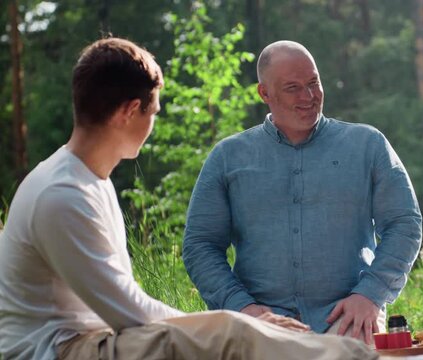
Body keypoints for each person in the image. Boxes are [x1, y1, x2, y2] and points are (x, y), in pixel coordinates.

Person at [0, 37, 383, 360]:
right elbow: (129, 311)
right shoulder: (62, 195)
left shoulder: (87, 181)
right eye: (154, 110)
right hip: (57, 350)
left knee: (229, 331)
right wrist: (237, 323)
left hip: (91, 339)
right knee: (230, 333)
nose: (154, 122)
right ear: (131, 111)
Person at [182, 40, 423, 345]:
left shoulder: (368, 145)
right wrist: (241, 307)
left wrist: (371, 294)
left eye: (313, 83)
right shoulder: (228, 157)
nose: (308, 97)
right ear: (264, 93)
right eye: (293, 87)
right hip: (261, 324)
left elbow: (405, 223)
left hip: (349, 319)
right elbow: (200, 244)